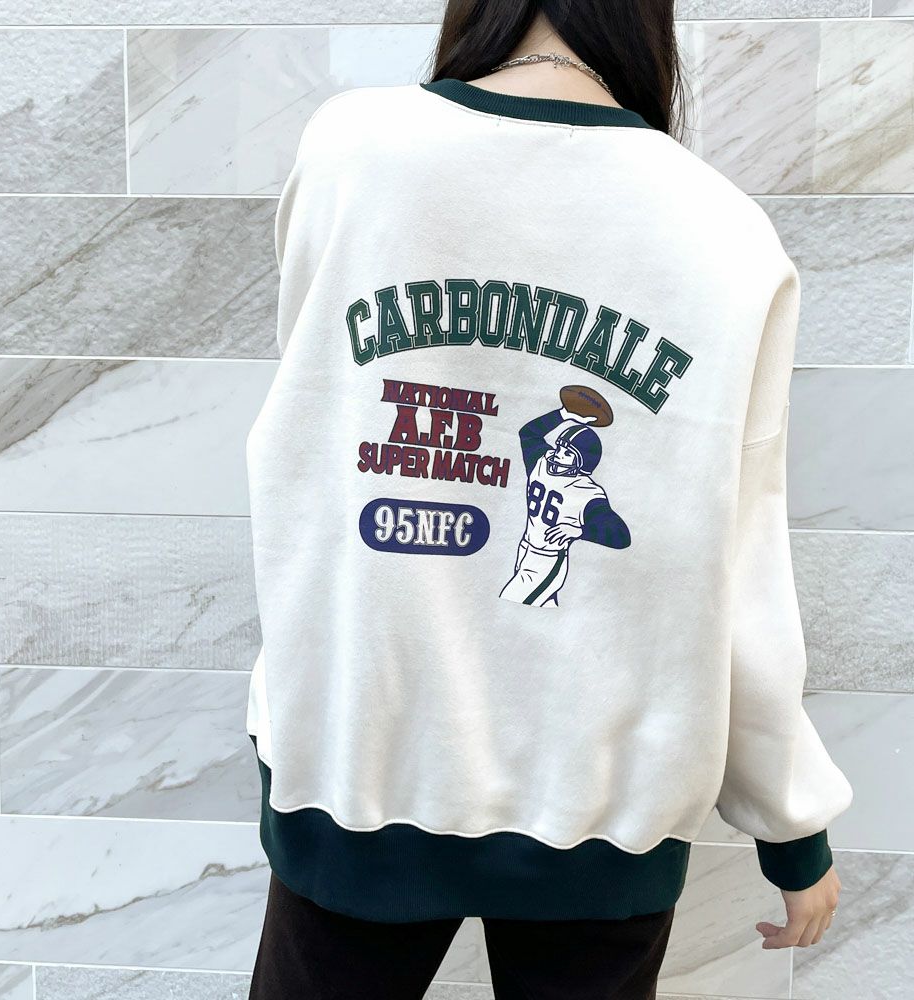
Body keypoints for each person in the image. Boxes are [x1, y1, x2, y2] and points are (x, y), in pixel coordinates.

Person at [244, 2, 852, 997]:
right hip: (603, 795)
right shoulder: (725, 234)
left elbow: (319, 448)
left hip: (361, 758)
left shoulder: (353, 153)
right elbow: (739, 575)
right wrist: (792, 829)